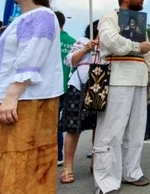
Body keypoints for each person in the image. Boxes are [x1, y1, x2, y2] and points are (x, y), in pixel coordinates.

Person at [0, 0, 63, 193]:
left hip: (28, 99)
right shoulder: (23, 18)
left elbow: (32, 58)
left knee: (21, 162)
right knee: (10, 159)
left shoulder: (41, 15)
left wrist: (11, 95)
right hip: (17, 97)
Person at [93, 0, 150, 194]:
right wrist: (136, 47)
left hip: (139, 77)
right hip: (118, 75)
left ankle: (132, 171)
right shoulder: (109, 16)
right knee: (111, 130)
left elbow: (149, 51)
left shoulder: (140, 23)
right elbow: (109, 40)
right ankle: (106, 180)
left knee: (136, 130)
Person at [59, 21, 100, 184]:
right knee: (73, 126)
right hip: (79, 86)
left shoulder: (109, 45)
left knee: (99, 127)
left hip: (99, 86)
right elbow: (71, 61)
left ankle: (96, 162)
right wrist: (86, 48)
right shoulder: (83, 41)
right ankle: (67, 167)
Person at [55, 10, 76, 167]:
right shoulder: (72, 41)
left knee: (49, 123)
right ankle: (58, 155)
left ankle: (54, 154)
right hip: (67, 87)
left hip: (50, 88)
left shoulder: (50, 40)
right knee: (59, 123)